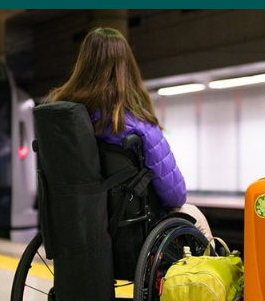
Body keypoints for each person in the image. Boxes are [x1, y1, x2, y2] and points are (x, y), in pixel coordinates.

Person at [44, 27, 213, 242]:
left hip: (77, 226)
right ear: (127, 69)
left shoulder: (65, 123)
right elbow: (175, 195)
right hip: (130, 231)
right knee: (195, 217)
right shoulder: (137, 125)